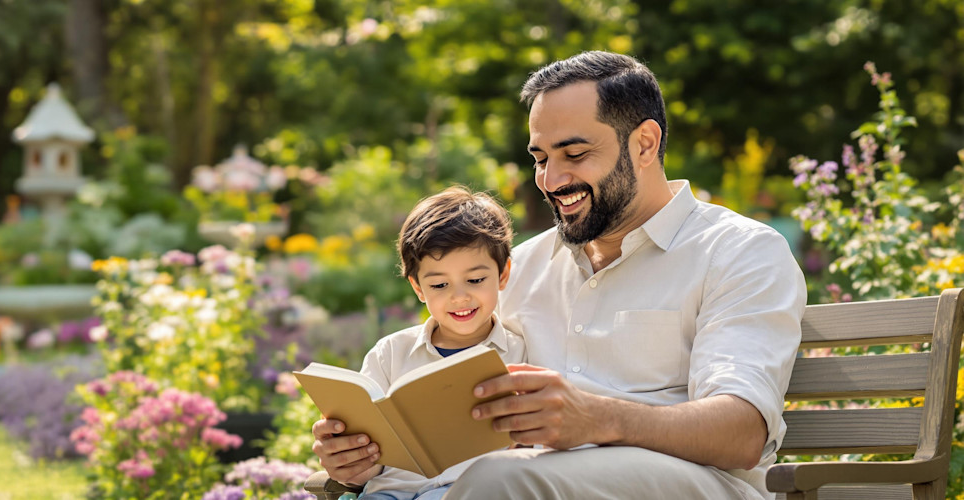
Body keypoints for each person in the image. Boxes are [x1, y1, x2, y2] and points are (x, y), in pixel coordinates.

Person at [312, 51, 806, 499]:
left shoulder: (739, 252)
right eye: (541, 159)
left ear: (645, 143)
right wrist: (361, 456)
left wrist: (595, 418)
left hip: (693, 482)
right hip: (532, 480)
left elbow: (743, 433)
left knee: (497, 479)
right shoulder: (520, 268)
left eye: (575, 154)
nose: (551, 180)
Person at [315, 186, 527, 500]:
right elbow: (372, 455)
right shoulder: (390, 353)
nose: (459, 296)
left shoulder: (521, 352)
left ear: (503, 274)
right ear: (418, 288)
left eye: (476, 280)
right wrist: (353, 461)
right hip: (387, 493)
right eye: (439, 284)